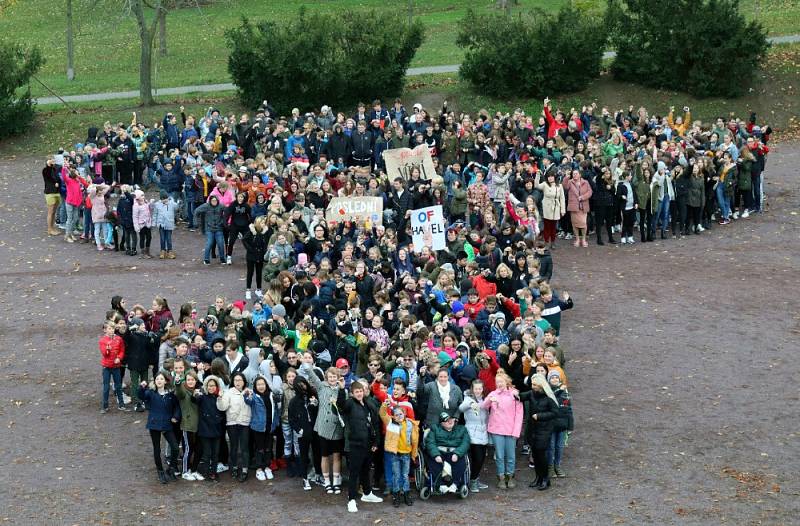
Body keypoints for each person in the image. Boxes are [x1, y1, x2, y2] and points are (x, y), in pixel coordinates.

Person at [338, 381, 383, 513]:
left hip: (368, 443)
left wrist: (376, 442)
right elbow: (341, 406)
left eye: (361, 391)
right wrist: (341, 390)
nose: (359, 393)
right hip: (355, 444)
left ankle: (367, 493)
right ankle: (351, 499)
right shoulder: (350, 403)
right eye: (356, 391)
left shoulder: (369, 404)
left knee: (366, 469)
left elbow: (375, 424)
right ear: (352, 393)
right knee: (354, 472)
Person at [482, 370, 524, 488]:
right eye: (497, 382)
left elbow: (519, 414)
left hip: (511, 430)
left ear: (507, 382)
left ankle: (510, 476)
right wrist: (490, 399)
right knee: (499, 455)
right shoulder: (493, 394)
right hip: (497, 430)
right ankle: (501, 476)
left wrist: (516, 431)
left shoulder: (514, 394)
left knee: (511, 455)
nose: (499, 384)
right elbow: (483, 406)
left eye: (501, 381)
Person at [138, 373, 180, 484]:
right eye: (157, 379)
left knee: (175, 448)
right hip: (154, 424)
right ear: (155, 381)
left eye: (161, 379)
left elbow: (177, 407)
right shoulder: (151, 393)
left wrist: (176, 416)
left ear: (165, 381)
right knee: (157, 448)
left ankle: (171, 468)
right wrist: (141, 387)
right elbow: (141, 396)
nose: (159, 381)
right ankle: (160, 471)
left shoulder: (170, 395)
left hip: (167, 424)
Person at [520, 374, 559, 490]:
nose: (533, 387)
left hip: (544, 429)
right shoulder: (532, 393)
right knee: (535, 455)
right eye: (532, 384)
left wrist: (540, 416)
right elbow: (521, 396)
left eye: (535, 385)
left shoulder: (549, 397)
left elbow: (555, 413)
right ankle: (538, 477)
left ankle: (545, 479)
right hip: (533, 429)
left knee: (541, 455)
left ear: (541, 385)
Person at [379, 402, 419, 507]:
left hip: (406, 454)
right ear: (393, 416)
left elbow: (414, 439)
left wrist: (414, 453)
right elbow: (382, 414)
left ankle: (406, 494)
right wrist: (384, 406)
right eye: (396, 415)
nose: (399, 416)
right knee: (396, 475)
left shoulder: (410, 424)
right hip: (395, 454)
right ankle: (396, 495)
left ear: (404, 414)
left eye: (401, 414)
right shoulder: (390, 422)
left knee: (405, 475)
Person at [423, 412, 470, 494]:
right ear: (441, 423)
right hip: (439, 451)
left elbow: (465, 443)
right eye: (447, 421)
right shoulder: (434, 429)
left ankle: (455, 484)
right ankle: (440, 485)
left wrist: (457, 453)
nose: (450, 422)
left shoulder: (462, 429)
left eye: (451, 419)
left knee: (460, 462)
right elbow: (430, 443)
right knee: (434, 462)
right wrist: (436, 455)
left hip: (455, 451)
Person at [216, 372, 252, 482]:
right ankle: (235, 467)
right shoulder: (228, 392)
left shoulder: (249, 391)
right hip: (232, 423)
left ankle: (245, 470)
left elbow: (252, 404)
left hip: (245, 422)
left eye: (240, 380)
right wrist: (220, 398)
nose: (238, 382)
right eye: (236, 380)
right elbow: (222, 407)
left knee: (245, 447)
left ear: (244, 381)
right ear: (233, 381)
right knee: (234, 447)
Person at [458, 379, 490, 493]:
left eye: (480, 388)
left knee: (482, 459)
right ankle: (472, 481)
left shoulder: (485, 399)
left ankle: (476, 479)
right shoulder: (468, 398)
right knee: (477, 458)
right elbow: (461, 408)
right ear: (472, 388)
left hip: (484, 431)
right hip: (472, 431)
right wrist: (471, 404)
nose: (478, 391)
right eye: (476, 388)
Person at [99, 321, 128, 413]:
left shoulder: (119, 339)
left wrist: (119, 358)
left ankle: (121, 404)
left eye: (113, 328)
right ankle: (105, 406)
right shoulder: (102, 341)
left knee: (118, 385)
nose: (111, 331)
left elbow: (122, 350)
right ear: (105, 330)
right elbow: (104, 354)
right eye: (109, 329)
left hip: (116, 366)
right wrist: (107, 349)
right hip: (106, 367)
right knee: (106, 387)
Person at [152, 190, 179, 259]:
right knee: (162, 238)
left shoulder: (171, 203)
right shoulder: (157, 204)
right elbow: (155, 214)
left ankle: (170, 251)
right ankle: (162, 251)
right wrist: (154, 223)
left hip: (169, 224)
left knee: (169, 239)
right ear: (160, 199)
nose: (165, 200)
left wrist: (172, 201)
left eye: (166, 198)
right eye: (163, 199)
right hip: (161, 224)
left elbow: (177, 208)